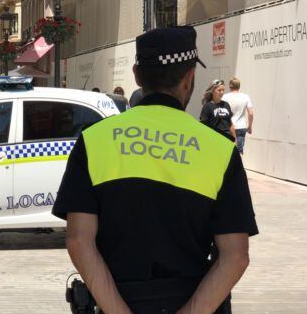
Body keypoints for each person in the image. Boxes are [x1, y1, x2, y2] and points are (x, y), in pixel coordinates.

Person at [53, 27, 257, 314]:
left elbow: (78, 239)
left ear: (137, 75)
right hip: (191, 299)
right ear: (189, 79)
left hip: (115, 300)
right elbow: (236, 256)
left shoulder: (94, 141)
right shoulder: (220, 151)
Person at [223, 78, 254, 155]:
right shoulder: (245, 97)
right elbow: (250, 113)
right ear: (239, 86)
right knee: (238, 151)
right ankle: (237, 166)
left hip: (228, 127)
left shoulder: (224, 97)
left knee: (227, 150)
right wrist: (250, 126)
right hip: (241, 127)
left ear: (230, 86)